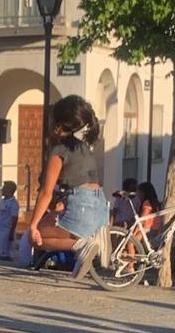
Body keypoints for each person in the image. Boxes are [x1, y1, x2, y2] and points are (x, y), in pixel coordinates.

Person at [28, 95, 108, 280]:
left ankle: (82, 245)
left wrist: (32, 225)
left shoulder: (60, 151)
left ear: (57, 124)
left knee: (35, 237)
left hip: (81, 204)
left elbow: (46, 192)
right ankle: (88, 244)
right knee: (50, 223)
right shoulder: (84, 147)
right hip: (100, 206)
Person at [0, 181, 20, 260]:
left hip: (7, 229)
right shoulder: (3, 201)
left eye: (4, 188)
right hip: (0, 227)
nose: (2, 190)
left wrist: (12, 231)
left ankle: (6, 256)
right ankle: (0, 254)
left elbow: (14, 217)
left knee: (6, 244)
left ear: (9, 190)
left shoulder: (13, 203)